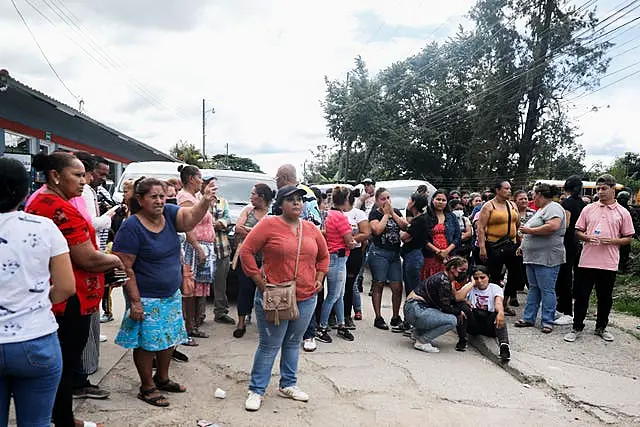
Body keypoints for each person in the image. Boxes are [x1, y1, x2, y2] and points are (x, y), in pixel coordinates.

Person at [27, 152, 124, 427]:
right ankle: (62, 420)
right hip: (69, 298)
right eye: (78, 175)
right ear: (56, 176)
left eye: (85, 175)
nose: (85, 181)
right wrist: (117, 260)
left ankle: (59, 416)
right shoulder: (57, 208)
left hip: (63, 295)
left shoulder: (51, 201)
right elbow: (86, 258)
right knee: (64, 363)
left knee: (61, 364)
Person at [112, 176, 216, 407]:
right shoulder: (132, 226)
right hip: (146, 298)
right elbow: (125, 267)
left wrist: (205, 201)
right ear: (140, 199)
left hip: (170, 294)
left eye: (162, 196)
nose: (159, 201)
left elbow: (189, 220)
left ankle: (162, 378)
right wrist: (136, 302)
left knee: (169, 338)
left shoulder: (169, 213)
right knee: (147, 344)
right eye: (153, 197)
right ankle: (147, 386)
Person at [0, 158, 76, 427]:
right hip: (36, 341)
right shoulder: (44, 228)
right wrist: (36, 303)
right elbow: (67, 286)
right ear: (24, 191)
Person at [240, 186, 329, 412]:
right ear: (281, 204)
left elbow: (323, 255)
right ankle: (257, 390)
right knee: (269, 345)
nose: (297, 204)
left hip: (307, 297)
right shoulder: (268, 225)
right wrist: (259, 281)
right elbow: (246, 251)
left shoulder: (310, 228)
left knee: (292, 342)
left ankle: (288, 384)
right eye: (291, 200)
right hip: (275, 295)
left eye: (300, 200)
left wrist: (319, 277)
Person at [564, 175, 635, 343]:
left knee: (605, 297)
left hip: (608, 261)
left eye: (604, 189)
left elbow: (628, 237)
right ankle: (577, 326)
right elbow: (577, 230)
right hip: (587, 259)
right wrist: (586, 238)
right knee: (582, 295)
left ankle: (601, 327)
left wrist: (613, 241)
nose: (600, 192)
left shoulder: (622, 212)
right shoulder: (588, 209)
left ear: (613, 189)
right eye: (598, 189)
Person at [514, 184, 566, 334]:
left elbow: (553, 226)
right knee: (533, 288)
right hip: (533, 257)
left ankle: (547, 320)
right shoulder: (541, 210)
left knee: (547, 289)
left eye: (533, 195)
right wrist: (523, 246)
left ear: (540, 195)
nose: (532, 198)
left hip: (547, 257)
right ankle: (529, 317)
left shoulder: (554, 207)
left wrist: (529, 230)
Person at [177, 165, 215, 341]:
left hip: (202, 245)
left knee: (196, 289)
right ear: (191, 178)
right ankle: (188, 328)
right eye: (200, 177)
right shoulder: (185, 198)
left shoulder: (196, 196)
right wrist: (197, 247)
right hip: (193, 247)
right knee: (189, 289)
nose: (201, 180)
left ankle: (193, 325)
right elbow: (187, 225)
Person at [403, 257, 470, 353]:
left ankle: (418, 333)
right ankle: (422, 341)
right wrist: (458, 312)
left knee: (443, 314)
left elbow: (448, 299)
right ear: (452, 268)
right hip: (416, 310)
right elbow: (445, 307)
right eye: (461, 270)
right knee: (451, 320)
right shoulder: (444, 281)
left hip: (413, 309)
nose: (463, 273)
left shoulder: (443, 278)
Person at [317, 186, 357, 343]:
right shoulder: (341, 217)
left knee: (338, 295)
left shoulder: (330, 214)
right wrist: (355, 242)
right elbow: (349, 241)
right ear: (346, 200)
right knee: (333, 295)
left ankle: (340, 324)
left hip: (334, 257)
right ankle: (322, 327)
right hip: (338, 259)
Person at [233, 183, 274, 338]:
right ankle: (241, 322)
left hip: (266, 260)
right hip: (247, 257)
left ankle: (266, 321)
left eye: (253, 194)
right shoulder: (248, 210)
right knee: (245, 289)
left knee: (266, 290)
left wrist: (250, 232)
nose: (250, 197)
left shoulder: (272, 213)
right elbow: (238, 228)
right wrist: (261, 233)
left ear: (261, 197)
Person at [476, 180, 520, 315]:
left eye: (510, 188)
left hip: (511, 245)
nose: (509, 191)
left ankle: (504, 302)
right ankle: (494, 305)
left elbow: (517, 223)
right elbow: (480, 228)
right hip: (494, 245)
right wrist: (482, 247)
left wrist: (519, 239)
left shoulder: (512, 205)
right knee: (494, 276)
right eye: (506, 188)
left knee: (515, 275)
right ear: (498, 190)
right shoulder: (488, 206)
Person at [368, 187, 409, 331]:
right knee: (378, 284)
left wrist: (392, 213)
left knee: (397, 287)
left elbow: (405, 226)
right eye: (383, 199)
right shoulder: (374, 214)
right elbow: (377, 230)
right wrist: (385, 215)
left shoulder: (396, 211)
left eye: (388, 198)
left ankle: (395, 316)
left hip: (394, 254)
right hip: (379, 253)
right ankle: (378, 317)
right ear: (377, 200)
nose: (386, 201)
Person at [456, 266, 511, 360]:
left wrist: (501, 313)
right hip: (474, 323)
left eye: (482, 278)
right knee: (462, 307)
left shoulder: (495, 288)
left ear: (488, 277)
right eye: (476, 278)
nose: (480, 281)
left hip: (488, 322)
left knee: (498, 314)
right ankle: (462, 339)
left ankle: (504, 346)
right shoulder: (470, 286)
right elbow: (458, 297)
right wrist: (472, 283)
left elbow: (498, 302)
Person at [554, 176, 586, 325]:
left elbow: (565, 224)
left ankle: (567, 311)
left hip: (567, 241)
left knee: (564, 276)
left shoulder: (567, 203)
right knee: (577, 275)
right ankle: (569, 307)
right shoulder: (583, 203)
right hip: (578, 241)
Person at [342, 188, 370, 331]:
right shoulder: (334, 213)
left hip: (354, 253)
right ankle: (333, 315)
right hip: (336, 253)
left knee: (349, 285)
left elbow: (366, 233)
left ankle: (346, 315)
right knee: (335, 287)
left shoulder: (358, 213)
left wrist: (349, 239)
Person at [209, 182, 235, 325]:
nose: (213, 190)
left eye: (214, 187)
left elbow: (227, 219)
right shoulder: (198, 200)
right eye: (210, 186)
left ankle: (220, 312)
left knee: (221, 283)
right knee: (201, 284)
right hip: (204, 248)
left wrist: (218, 223)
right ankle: (197, 315)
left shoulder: (223, 202)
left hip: (222, 247)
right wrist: (218, 224)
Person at [422, 190, 461, 279]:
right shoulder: (425, 217)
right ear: (432, 200)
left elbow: (458, 237)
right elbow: (423, 239)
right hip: (431, 255)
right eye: (438, 199)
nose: (440, 202)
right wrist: (438, 251)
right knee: (431, 282)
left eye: (443, 200)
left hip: (449, 255)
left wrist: (446, 251)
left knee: (448, 282)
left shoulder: (451, 217)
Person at [400, 192, 430, 297]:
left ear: (413, 203)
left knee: (413, 288)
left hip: (414, 255)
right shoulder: (417, 219)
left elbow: (404, 237)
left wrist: (405, 234)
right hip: (411, 255)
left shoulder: (420, 220)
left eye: (409, 200)